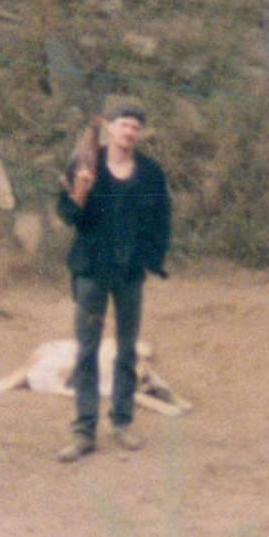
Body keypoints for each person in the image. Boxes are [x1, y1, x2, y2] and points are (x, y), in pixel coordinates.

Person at [55, 104, 172, 463]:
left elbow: (161, 218)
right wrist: (82, 191)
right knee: (87, 350)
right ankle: (84, 431)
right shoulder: (86, 163)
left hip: (129, 273)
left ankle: (122, 422)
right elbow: (68, 216)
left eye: (136, 127)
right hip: (92, 270)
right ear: (109, 128)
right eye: (124, 125)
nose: (129, 132)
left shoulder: (150, 173)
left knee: (127, 348)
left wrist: (152, 260)